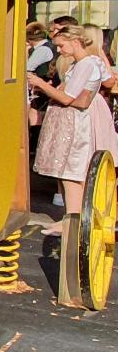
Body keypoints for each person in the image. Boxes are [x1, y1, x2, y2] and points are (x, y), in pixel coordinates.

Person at [29, 24, 118, 235]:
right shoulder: (81, 64)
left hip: (76, 123)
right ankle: (69, 219)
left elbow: (69, 98)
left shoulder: (87, 64)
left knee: (72, 172)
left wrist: (41, 84)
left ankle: (73, 221)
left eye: (61, 45)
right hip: (71, 121)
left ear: (75, 42)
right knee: (67, 174)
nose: (59, 50)